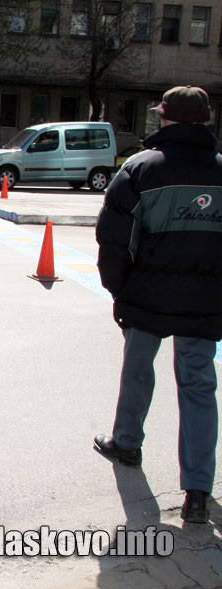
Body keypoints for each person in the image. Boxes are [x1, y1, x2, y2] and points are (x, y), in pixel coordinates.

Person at [94, 85, 222, 524]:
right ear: (204, 122)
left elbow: (113, 240)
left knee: (137, 369)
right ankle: (198, 493)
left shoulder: (140, 168)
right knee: (199, 385)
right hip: (206, 299)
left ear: (165, 119)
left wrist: (118, 290)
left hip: (146, 294)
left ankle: (127, 443)